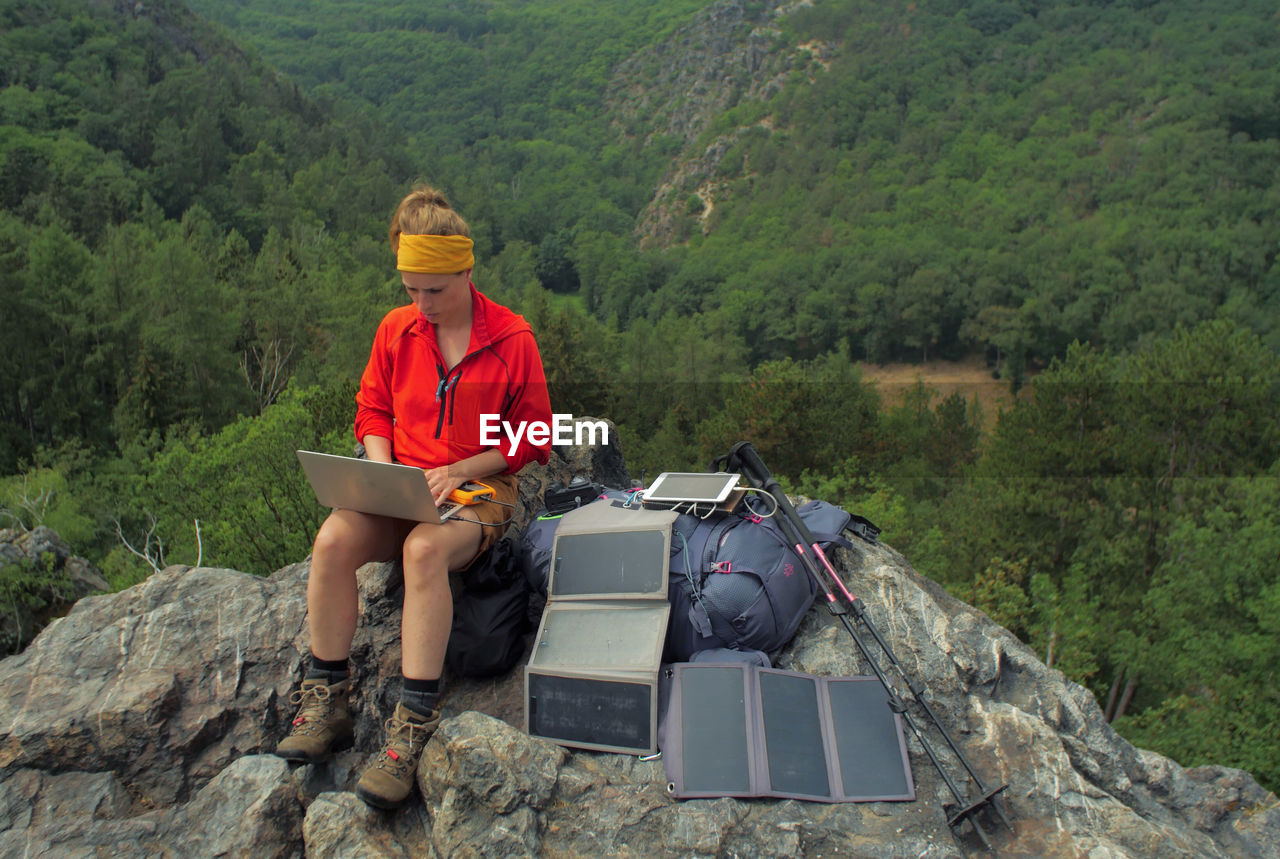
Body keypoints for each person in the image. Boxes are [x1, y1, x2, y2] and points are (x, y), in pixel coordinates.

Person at [274, 186, 553, 809]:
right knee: (333, 540)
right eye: (411, 290)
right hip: (401, 483)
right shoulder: (397, 331)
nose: (423, 304)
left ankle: (411, 726)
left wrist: (458, 469)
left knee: (424, 550)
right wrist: (382, 474)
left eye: (437, 290)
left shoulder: (511, 338)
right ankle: (327, 701)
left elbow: (534, 434)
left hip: (480, 488)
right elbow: (372, 408)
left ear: (467, 271)